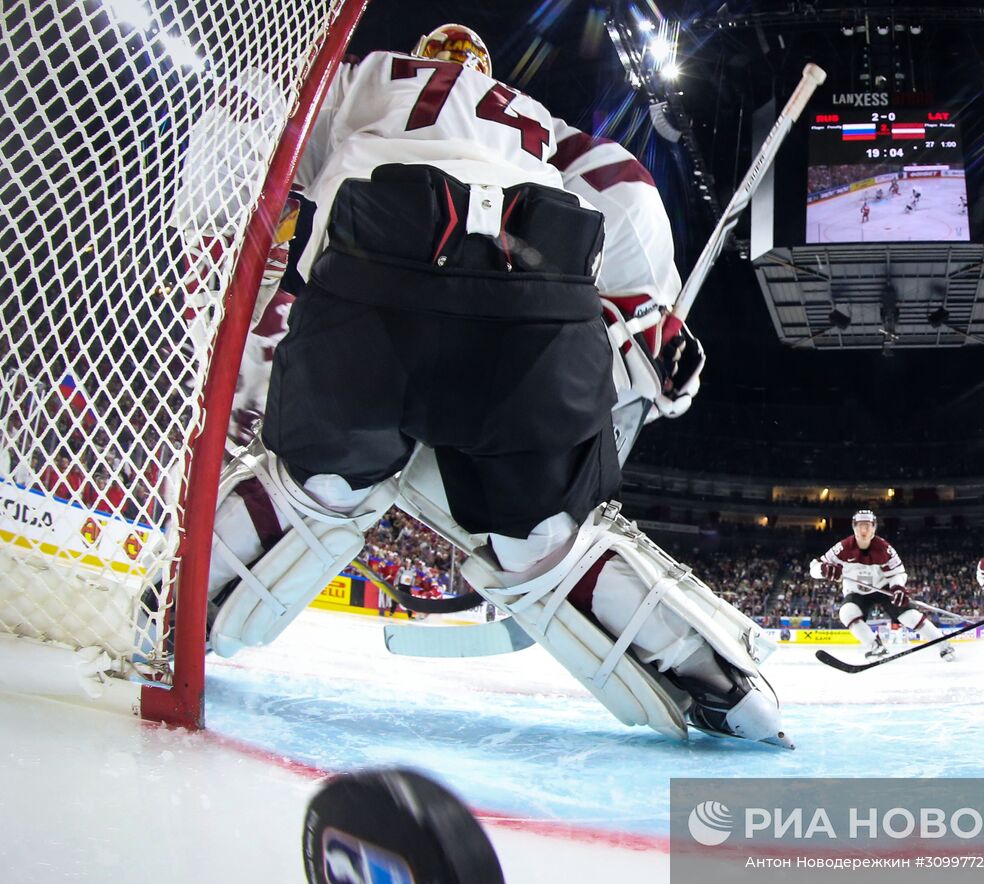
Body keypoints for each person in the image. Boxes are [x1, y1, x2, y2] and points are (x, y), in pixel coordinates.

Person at [188, 25, 788, 748]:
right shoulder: (543, 127)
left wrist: (215, 250)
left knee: (320, 486)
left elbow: (250, 104)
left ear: (426, 58)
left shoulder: (358, 76)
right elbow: (627, 187)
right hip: (531, 288)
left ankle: (174, 615)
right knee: (540, 541)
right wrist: (643, 326)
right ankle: (725, 692)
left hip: (375, 267)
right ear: (488, 71)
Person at [810, 509, 955, 661]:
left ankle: (944, 646)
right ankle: (875, 647)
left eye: (868, 526)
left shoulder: (885, 549)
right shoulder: (842, 548)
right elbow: (814, 568)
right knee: (847, 613)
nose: (864, 530)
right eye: (860, 526)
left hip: (884, 589)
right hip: (856, 592)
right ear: (853, 527)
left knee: (910, 617)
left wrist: (898, 588)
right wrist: (824, 570)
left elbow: (898, 573)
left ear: (874, 528)